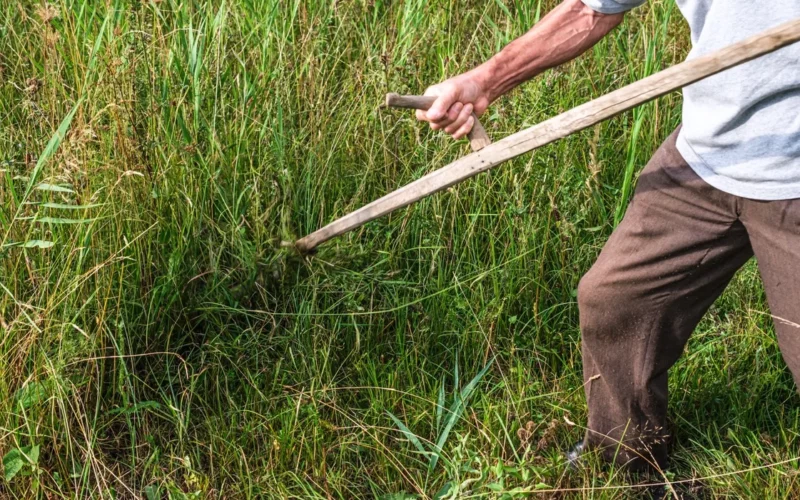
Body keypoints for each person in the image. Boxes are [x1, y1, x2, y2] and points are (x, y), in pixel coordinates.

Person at [415, 0, 800, 472]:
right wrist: (482, 81)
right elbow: (590, 8)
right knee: (616, 299)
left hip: (794, 176)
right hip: (706, 153)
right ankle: (622, 459)